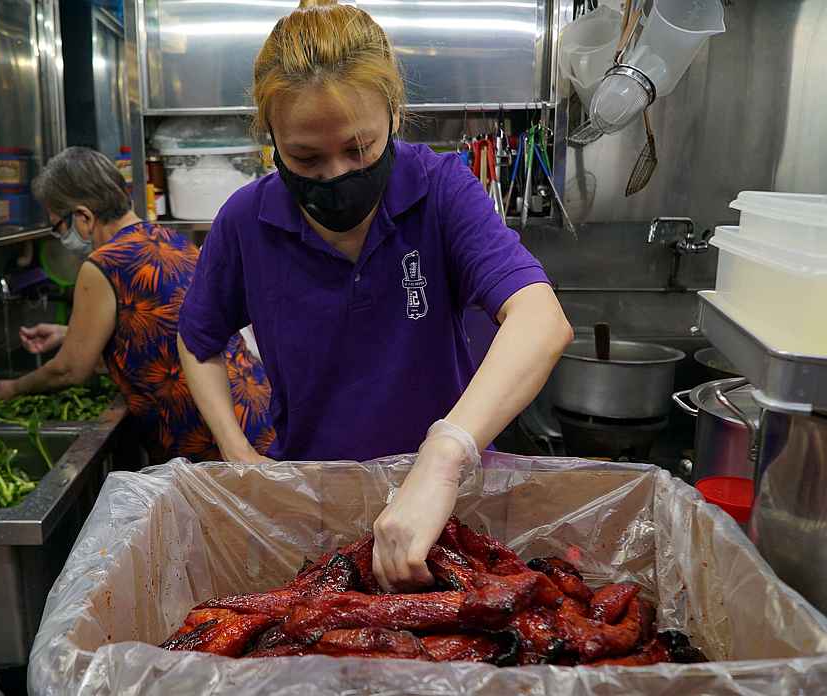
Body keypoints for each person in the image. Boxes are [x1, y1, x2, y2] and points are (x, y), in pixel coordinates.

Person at [177, 1, 573, 590]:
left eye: (358, 148)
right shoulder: (246, 222)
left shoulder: (439, 192)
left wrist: (444, 455)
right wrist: (237, 452)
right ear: (271, 139)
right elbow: (198, 339)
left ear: (393, 113)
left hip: (449, 506)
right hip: (315, 509)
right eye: (305, 157)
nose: (336, 174)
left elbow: (542, 320)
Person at [0, 147, 274, 463]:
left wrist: (11, 388)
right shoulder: (170, 239)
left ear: (83, 217)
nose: (62, 237)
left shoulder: (104, 263)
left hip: (212, 436)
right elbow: (154, 334)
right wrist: (67, 333)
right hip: (253, 411)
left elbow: (69, 370)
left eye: (58, 226)